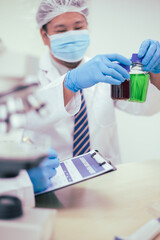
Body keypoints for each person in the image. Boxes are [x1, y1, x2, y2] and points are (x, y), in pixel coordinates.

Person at [25, 0, 160, 169]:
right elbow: (26, 120)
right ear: (44, 36)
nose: (72, 35)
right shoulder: (28, 77)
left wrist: (156, 73)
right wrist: (70, 83)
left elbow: (148, 107)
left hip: (104, 177)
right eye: (61, 30)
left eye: (78, 27)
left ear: (87, 27)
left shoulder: (105, 69)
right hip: (54, 181)